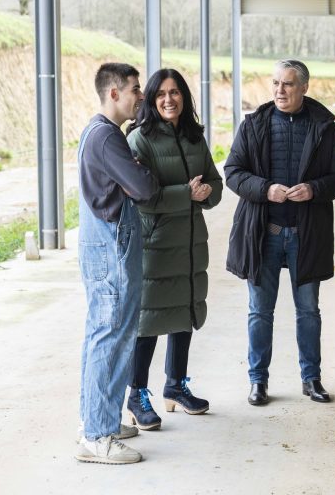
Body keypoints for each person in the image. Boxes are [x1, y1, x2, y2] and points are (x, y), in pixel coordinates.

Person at [224, 59, 335, 406]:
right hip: (263, 232)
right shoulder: (253, 126)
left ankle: (311, 379)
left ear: (304, 88)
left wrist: (313, 189)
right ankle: (258, 381)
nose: (280, 91)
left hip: (305, 234)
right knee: (259, 311)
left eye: (288, 84)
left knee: (308, 310)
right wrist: (264, 189)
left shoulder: (325, 128)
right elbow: (232, 172)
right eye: (276, 84)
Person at [124, 68, 223, 430]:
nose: (169, 99)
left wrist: (206, 192)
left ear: (185, 97)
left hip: (191, 241)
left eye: (176, 92)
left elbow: (214, 179)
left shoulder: (194, 137)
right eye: (161, 93)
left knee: (184, 313)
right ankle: (136, 395)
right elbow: (142, 197)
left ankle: (175, 386)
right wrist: (187, 194)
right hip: (157, 243)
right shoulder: (140, 140)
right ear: (151, 100)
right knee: (149, 320)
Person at [75, 62, 158, 464]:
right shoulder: (107, 138)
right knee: (110, 337)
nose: (140, 96)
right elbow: (143, 188)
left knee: (100, 336)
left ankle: (96, 418)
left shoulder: (97, 130)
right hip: (111, 250)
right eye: (135, 90)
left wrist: (135, 172)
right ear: (114, 93)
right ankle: (98, 437)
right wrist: (142, 172)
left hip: (101, 247)